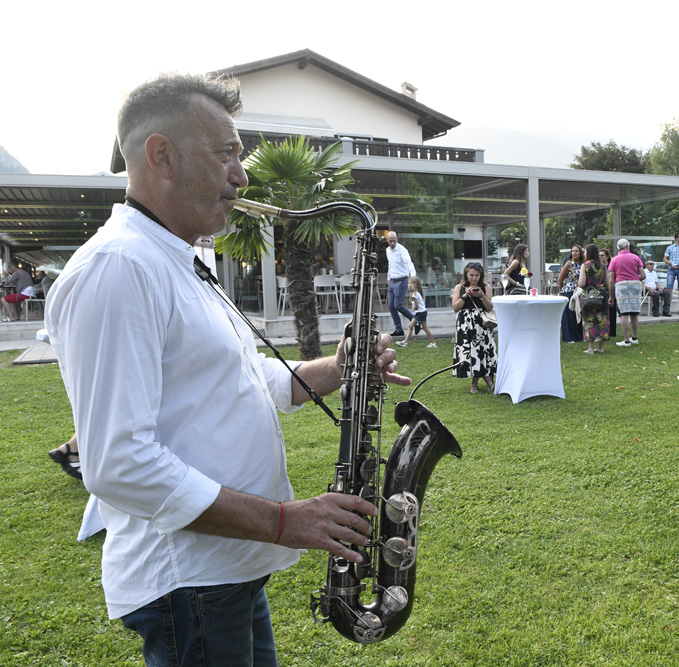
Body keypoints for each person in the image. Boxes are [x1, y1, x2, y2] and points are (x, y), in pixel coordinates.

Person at [44, 73, 409, 666]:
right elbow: (117, 464)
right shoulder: (119, 269)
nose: (242, 176)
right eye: (227, 155)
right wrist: (285, 520)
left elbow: (242, 381)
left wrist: (340, 367)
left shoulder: (176, 258)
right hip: (187, 582)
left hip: (221, 571)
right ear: (161, 155)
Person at [451, 262, 497, 393]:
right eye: (471, 275)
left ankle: (478, 382)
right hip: (466, 325)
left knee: (483, 351)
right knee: (471, 352)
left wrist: (481, 296)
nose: (474, 278)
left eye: (477, 275)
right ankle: (485, 380)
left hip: (482, 324)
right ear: (466, 274)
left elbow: (490, 307)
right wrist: (465, 295)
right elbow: (455, 307)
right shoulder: (459, 288)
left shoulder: (485, 287)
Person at [608, 239, 646, 346]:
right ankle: (634, 337)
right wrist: (634, 278)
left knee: (623, 313)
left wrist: (611, 296)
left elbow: (611, 279)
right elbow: (643, 275)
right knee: (634, 312)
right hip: (635, 284)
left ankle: (626, 340)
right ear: (627, 246)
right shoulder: (636, 258)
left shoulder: (614, 260)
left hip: (621, 286)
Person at [578, 244, 610, 354]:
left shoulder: (585, 265)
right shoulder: (603, 266)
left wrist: (580, 284)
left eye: (585, 251)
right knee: (603, 320)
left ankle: (590, 348)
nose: (584, 253)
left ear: (588, 252)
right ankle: (601, 348)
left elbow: (582, 283)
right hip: (601, 296)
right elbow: (606, 283)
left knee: (589, 321)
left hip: (589, 295)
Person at [386, 230, 417, 336]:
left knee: (397, 305)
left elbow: (409, 263)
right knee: (391, 306)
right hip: (392, 281)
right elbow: (390, 265)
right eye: (390, 241)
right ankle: (398, 329)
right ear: (387, 240)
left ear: (397, 239)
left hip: (402, 280)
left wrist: (413, 276)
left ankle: (414, 320)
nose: (393, 243)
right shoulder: (387, 250)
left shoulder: (402, 250)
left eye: (394, 241)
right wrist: (388, 278)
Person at [398, 276, 436, 348]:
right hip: (420, 313)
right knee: (411, 326)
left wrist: (413, 308)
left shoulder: (414, 294)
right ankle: (405, 342)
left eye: (409, 283)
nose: (408, 285)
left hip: (420, 313)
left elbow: (416, 306)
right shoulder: (416, 293)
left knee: (424, 328)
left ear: (413, 284)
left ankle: (433, 343)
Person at [557, 245, 584, 342]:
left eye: (576, 251)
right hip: (568, 291)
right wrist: (562, 290)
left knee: (578, 313)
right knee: (568, 314)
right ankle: (568, 337)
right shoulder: (568, 264)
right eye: (573, 251)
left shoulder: (583, 264)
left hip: (579, 291)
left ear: (580, 252)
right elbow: (560, 279)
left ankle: (578, 336)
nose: (574, 253)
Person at [599, 248, 617, 339]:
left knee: (612, 312)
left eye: (602, 255)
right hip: (602, 290)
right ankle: (603, 330)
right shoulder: (599, 266)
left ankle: (612, 331)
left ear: (607, 256)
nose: (600, 257)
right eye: (599, 255)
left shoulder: (611, 265)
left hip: (611, 289)